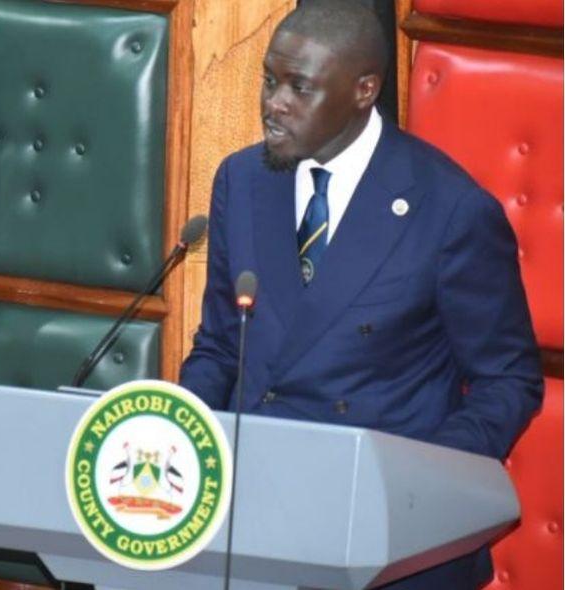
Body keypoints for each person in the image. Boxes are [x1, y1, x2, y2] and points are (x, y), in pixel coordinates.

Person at [179, 1, 543, 588]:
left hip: (387, 543)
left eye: (300, 87)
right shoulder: (242, 181)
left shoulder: (448, 210)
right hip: (252, 526)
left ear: (363, 89)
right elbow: (223, 346)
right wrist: (177, 435)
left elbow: (508, 379)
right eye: (270, 81)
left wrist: (420, 479)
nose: (274, 102)